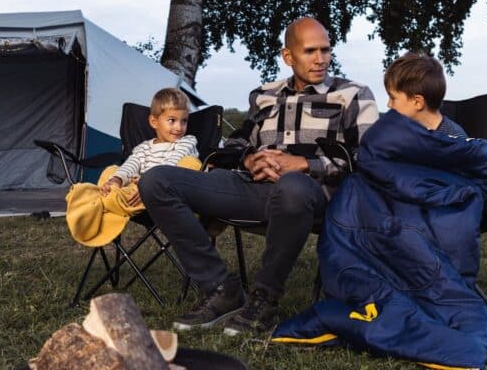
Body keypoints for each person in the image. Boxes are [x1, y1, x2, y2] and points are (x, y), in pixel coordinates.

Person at [138, 17, 379, 335]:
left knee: (292, 186)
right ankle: (220, 289)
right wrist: (249, 159)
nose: (320, 59)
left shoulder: (353, 95)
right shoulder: (264, 95)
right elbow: (235, 144)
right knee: (156, 180)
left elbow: (370, 158)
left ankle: (263, 300)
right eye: (310, 51)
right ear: (288, 56)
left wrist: (304, 164)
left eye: (325, 50)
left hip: (314, 196)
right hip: (255, 189)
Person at [271, 51, 487, 368]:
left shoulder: (452, 137)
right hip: (384, 209)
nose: (388, 106)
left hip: (427, 217)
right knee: (354, 193)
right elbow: (377, 165)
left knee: (412, 238)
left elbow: (457, 179)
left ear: (417, 101)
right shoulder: (392, 133)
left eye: (393, 98)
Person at [99, 87, 200, 207]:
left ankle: (113, 200)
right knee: (112, 171)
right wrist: (117, 179)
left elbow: (173, 162)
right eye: (172, 120)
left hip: (172, 194)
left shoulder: (187, 142)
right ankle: (109, 194)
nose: (179, 127)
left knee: (189, 163)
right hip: (140, 191)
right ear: (154, 122)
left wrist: (149, 186)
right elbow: (132, 164)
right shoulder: (144, 148)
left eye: (184, 121)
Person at [384, 51, 466, 137]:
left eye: (393, 98)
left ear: (417, 102)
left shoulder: (454, 141)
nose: (389, 104)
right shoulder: (404, 133)